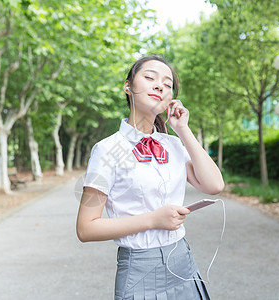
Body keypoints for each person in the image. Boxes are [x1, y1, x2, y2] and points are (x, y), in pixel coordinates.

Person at [76, 55, 224, 299]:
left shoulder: (175, 145)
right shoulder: (107, 150)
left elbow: (214, 185)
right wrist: (154, 220)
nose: (160, 86)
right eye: (149, 78)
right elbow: (86, 228)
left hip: (183, 262)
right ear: (128, 86)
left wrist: (182, 129)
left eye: (167, 84)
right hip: (139, 271)